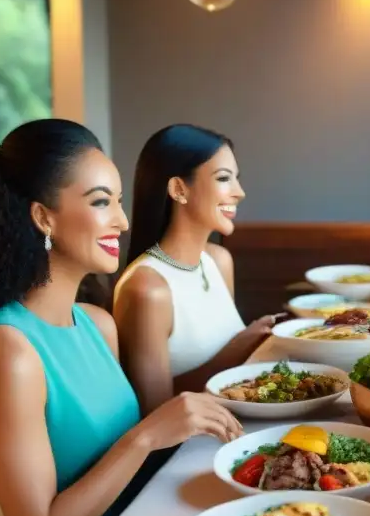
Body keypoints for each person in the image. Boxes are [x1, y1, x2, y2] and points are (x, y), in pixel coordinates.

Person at [0, 119, 244, 516]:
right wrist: (148, 434)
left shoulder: (97, 325)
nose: (123, 221)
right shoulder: (5, 352)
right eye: (102, 202)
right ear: (43, 217)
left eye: (120, 201)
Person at [113, 125, 275, 416]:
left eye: (236, 179)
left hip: (239, 418)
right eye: (224, 178)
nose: (239, 192)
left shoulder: (218, 261)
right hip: (188, 447)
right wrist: (240, 346)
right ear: (178, 189)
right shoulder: (146, 289)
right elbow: (156, 412)